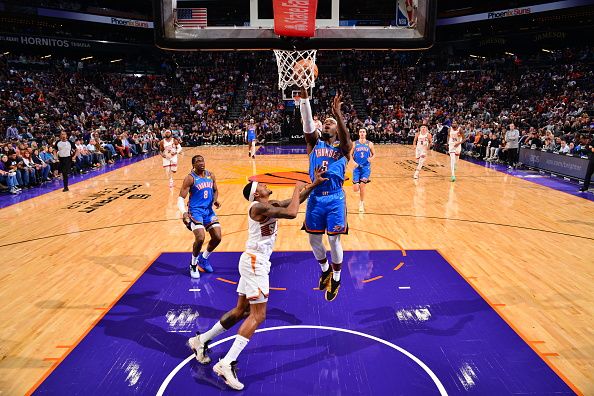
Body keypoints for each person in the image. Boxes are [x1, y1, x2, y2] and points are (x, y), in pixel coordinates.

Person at [187, 170, 326, 391]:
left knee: (241, 310)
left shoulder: (267, 204)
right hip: (255, 262)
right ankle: (227, 362)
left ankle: (201, 340)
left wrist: (314, 185)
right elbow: (291, 213)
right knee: (258, 315)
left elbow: (293, 201)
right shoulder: (257, 207)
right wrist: (297, 186)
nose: (263, 184)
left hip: (252, 260)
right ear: (256, 194)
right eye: (260, 185)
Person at [299, 87, 352, 302]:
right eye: (326, 121)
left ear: (337, 129)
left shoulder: (343, 149)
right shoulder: (313, 144)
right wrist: (305, 98)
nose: (327, 123)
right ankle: (325, 270)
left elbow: (347, 140)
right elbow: (308, 122)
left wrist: (338, 114)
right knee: (313, 240)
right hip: (315, 197)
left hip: (335, 198)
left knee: (334, 241)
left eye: (331, 122)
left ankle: (337, 278)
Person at [178, 155, 221, 278]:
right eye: (198, 161)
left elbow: (215, 190)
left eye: (202, 160)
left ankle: (204, 258)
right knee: (200, 237)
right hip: (195, 211)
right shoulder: (190, 178)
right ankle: (193, 264)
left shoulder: (210, 175)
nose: (201, 163)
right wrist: (183, 212)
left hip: (208, 211)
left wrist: (214, 201)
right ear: (193, 165)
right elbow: (181, 197)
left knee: (217, 237)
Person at [351, 128, 375, 212]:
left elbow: (374, 154)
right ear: (358, 133)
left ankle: (361, 203)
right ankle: (359, 189)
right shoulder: (354, 144)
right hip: (357, 168)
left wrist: (371, 158)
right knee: (355, 189)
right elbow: (350, 155)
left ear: (366, 134)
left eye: (363, 132)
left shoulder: (370, 144)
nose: (362, 133)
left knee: (362, 186)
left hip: (366, 168)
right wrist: (353, 162)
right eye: (360, 132)